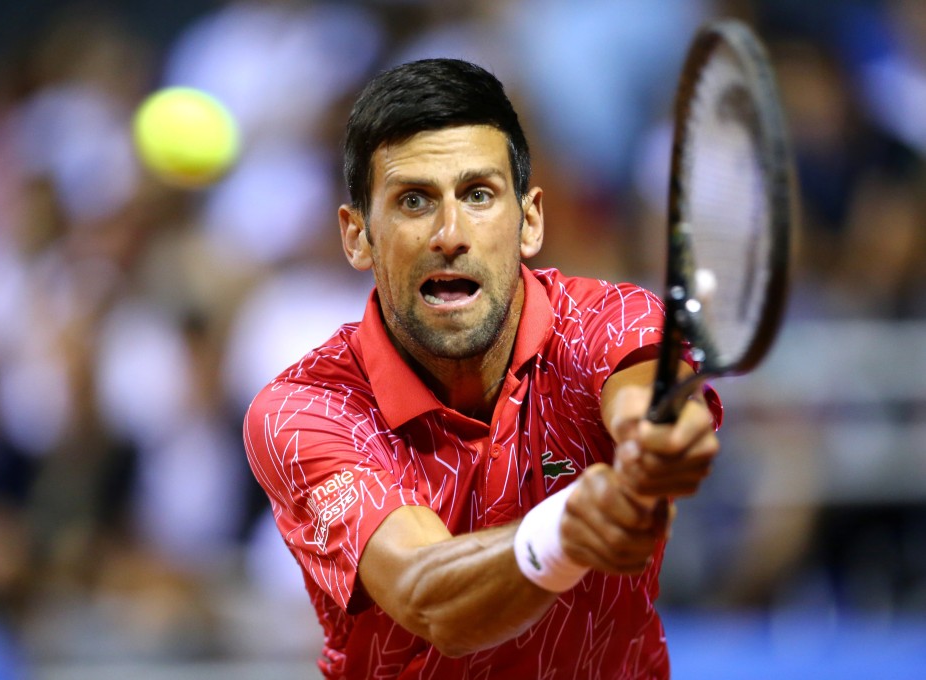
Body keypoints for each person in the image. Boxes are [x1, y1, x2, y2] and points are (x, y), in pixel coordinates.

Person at [243, 58, 721, 679]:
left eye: (478, 195)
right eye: (414, 200)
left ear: (530, 220)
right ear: (358, 236)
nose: (450, 233)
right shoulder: (306, 410)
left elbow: (645, 397)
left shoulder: (609, 321)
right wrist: (565, 533)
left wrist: (658, 435)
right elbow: (428, 597)